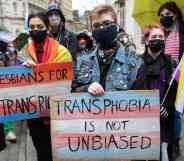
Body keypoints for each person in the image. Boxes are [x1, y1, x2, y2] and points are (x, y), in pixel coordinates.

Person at [24, 12, 72, 161]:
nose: (35, 30)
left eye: (39, 26)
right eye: (32, 27)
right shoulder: (24, 50)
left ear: (47, 28)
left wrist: (41, 69)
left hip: (56, 116)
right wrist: (23, 68)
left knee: (58, 155)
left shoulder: (62, 52)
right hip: (34, 116)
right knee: (42, 154)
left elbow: (67, 82)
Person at [72, 4, 142, 97]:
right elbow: (70, 91)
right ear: (92, 30)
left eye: (107, 23)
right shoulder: (81, 61)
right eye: (96, 25)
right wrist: (86, 88)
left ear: (116, 26)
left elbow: (141, 99)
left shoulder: (134, 62)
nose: (102, 28)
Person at [132, 24, 176, 161]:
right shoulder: (136, 62)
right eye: (154, 37)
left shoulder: (171, 63)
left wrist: (167, 108)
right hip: (141, 122)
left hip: (164, 122)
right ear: (146, 41)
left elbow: (174, 90)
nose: (158, 39)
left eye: (161, 37)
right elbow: (132, 90)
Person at [158, 2, 184, 157]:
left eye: (167, 14)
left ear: (175, 14)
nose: (164, 18)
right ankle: (165, 140)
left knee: (176, 111)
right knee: (164, 111)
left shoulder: (182, 30)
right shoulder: (161, 32)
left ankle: (175, 142)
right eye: (161, 15)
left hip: (180, 77)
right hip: (165, 77)